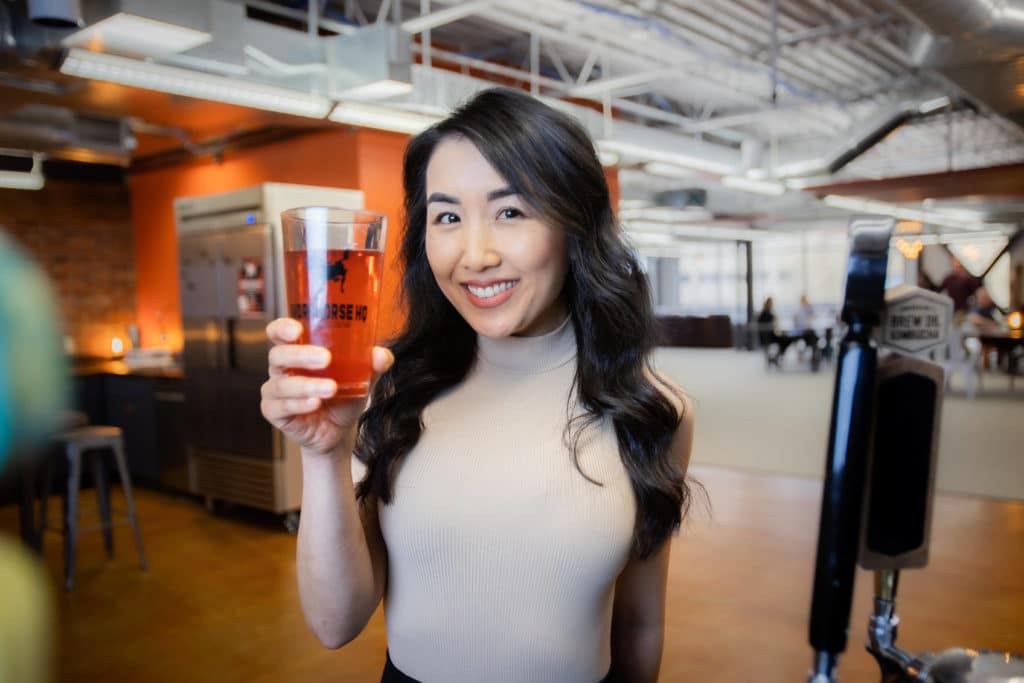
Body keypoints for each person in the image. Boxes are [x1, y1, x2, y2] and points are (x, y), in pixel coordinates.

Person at [260, 88, 696, 683]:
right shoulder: (391, 392)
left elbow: (641, 623)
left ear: (575, 225)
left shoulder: (653, 411)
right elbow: (335, 624)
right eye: (447, 217)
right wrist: (324, 453)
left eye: (510, 211)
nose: (476, 254)